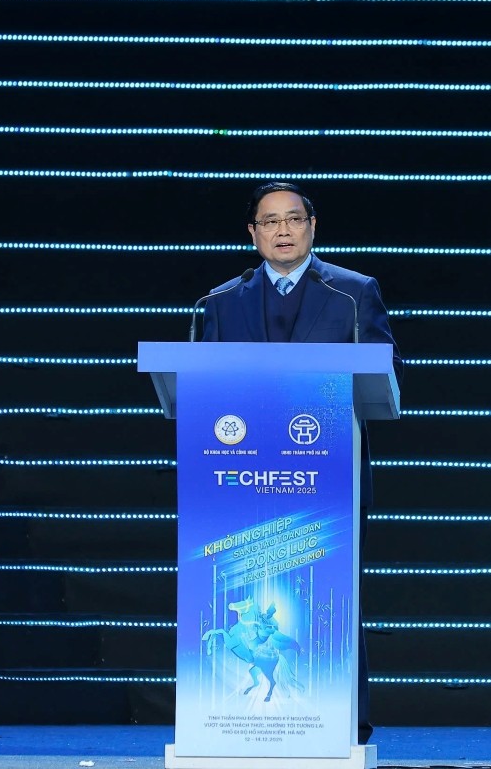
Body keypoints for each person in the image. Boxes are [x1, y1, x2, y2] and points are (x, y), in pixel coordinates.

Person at [202, 181, 403, 745]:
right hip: (242, 479)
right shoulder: (221, 301)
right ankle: (234, 724)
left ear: (313, 227)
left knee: (333, 599)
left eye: (293, 219)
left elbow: (388, 373)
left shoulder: (353, 293)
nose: (283, 230)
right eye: (270, 222)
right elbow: (202, 386)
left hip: (328, 478)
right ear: (253, 233)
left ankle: (343, 725)